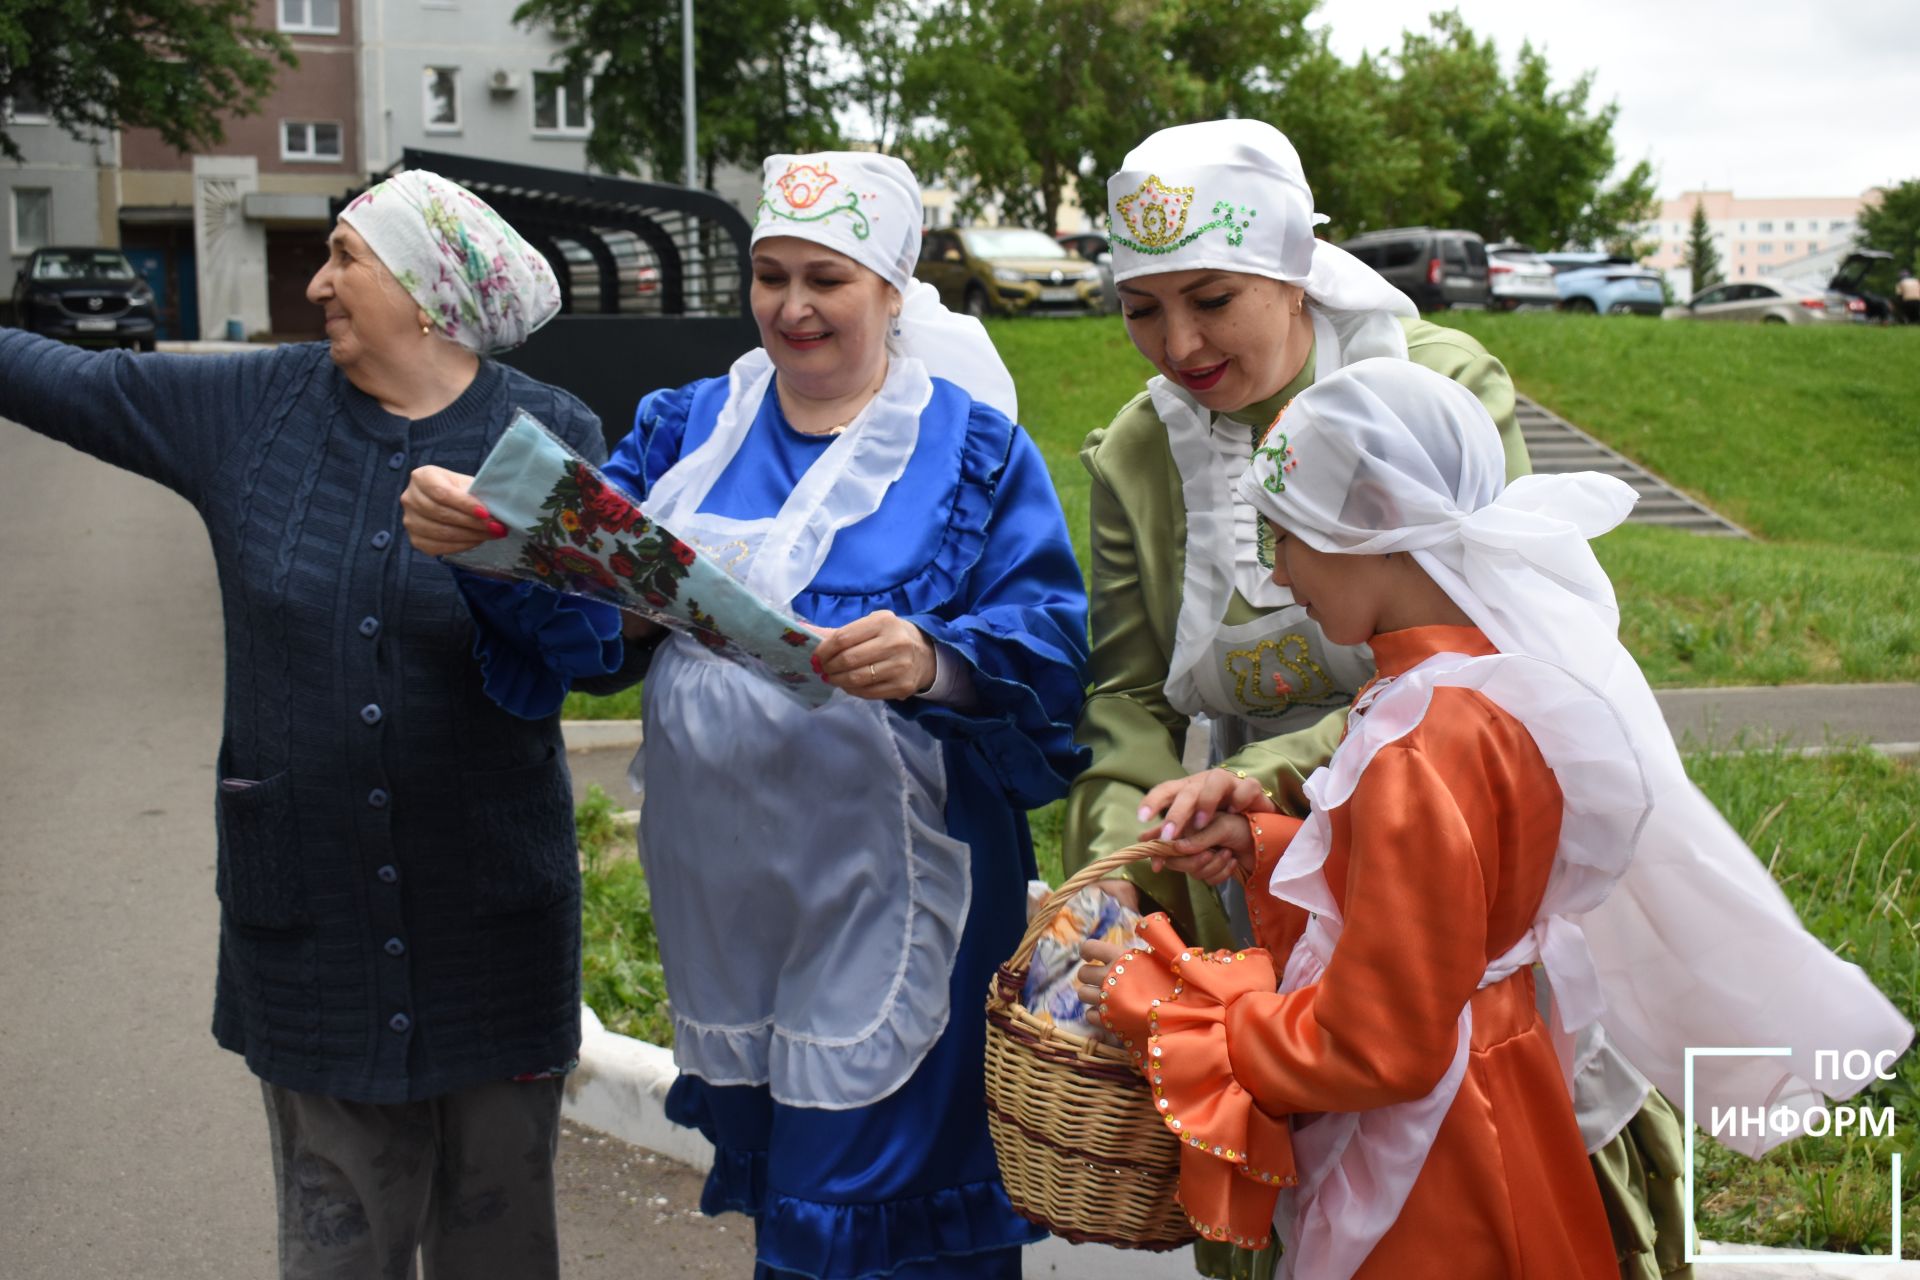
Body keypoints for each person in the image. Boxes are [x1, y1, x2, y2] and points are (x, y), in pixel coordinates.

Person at [403, 150, 1090, 1279]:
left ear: (892, 291)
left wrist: (933, 659)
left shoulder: (973, 451)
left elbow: (1052, 642)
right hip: (726, 894)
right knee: (794, 1196)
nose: (792, 306)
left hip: (890, 885)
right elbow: (595, 627)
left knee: (866, 1208)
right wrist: (494, 545)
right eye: (771, 277)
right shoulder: (685, 426)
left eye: (827, 278)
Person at [1076, 358, 1912, 1280]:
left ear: (1375, 527)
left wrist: (1177, 1014)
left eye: (1287, 538)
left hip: (1431, 1156)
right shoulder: (1481, 684)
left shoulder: (1418, 739)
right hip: (1496, 1076)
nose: (1277, 575)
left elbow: (1375, 1042)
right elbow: (1453, 896)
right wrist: (1266, 843)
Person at [1060, 118, 1696, 1280]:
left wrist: (1261, 778)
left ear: (1293, 270)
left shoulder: (1428, 389)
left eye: (1212, 298)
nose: (1177, 342)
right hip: (1266, 878)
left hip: (1444, 870)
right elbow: (1131, 693)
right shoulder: (1140, 452)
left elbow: (1494, 638)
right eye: (1141, 308)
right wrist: (1118, 874)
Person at [0, 171, 648, 1277]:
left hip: (493, 926)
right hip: (316, 930)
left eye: (346, 257)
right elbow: (75, 382)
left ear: (426, 290)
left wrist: (520, 569)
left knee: (501, 1245)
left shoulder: (547, 431)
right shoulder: (252, 407)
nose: (318, 283)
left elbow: (601, 653)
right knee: (336, 1250)